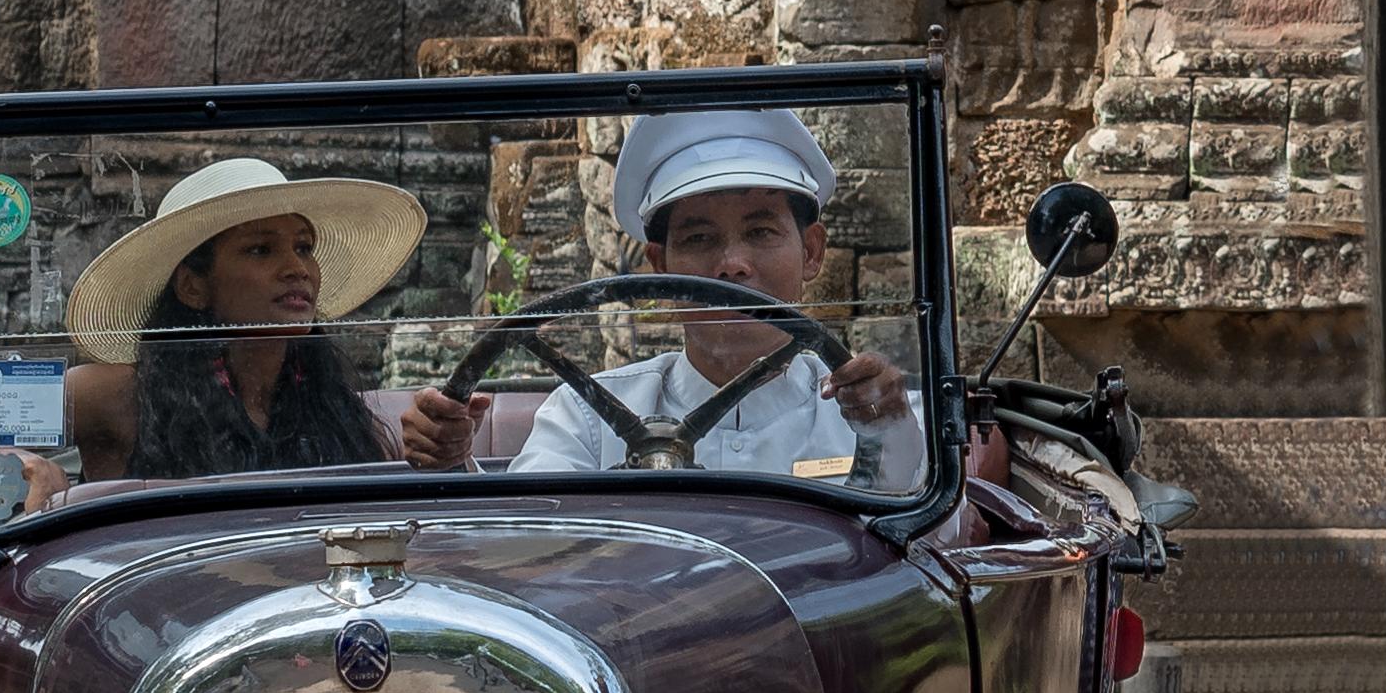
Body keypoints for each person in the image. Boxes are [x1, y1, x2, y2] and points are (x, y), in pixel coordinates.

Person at [505, 104, 926, 489]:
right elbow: (525, 539)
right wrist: (450, 462)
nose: (731, 264)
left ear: (811, 252)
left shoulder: (885, 414)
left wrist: (892, 433)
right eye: (699, 238)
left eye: (760, 233)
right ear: (660, 268)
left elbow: (936, 539)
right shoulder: (582, 417)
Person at [62, 156, 488, 481]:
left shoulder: (337, 414)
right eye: (261, 250)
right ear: (193, 286)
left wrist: (447, 450)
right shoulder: (118, 396)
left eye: (303, 247)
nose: (297, 268)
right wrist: (28, 466)